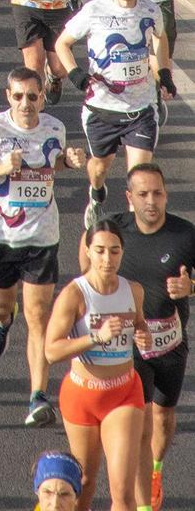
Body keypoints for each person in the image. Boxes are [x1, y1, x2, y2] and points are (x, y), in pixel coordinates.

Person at [0, 66, 88, 429]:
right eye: (18, 96)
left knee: (39, 317)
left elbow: (51, 165)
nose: (26, 104)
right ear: (8, 96)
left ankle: (38, 396)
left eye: (33, 96)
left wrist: (69, 161)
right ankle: (1, 321)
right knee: (4, 305)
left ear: (42, 97)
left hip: (42, 236)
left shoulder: (54, 128)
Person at [46, 222, 150, 511]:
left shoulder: (134, 291)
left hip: (124, 394)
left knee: (123, 492)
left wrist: (143, 333)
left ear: (122, 253)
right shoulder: (75, 295)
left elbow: (139, 323)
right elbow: (51, 350)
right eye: (100, 251)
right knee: (85, 483)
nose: (108, 259)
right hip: (83, 395)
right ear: (88, 252)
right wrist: (95, 337)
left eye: (114, 251)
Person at [57, 0, 162, 231]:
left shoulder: (152, 10)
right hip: (101, 108)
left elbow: (159, 40)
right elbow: (62, 44)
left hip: (141, 109)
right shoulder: (94, 10)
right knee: (99, 169)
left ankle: (133, 240)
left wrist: (162, 73)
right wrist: (75, 73)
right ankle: (96, 193)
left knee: (138, 178)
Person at [112, 163, 195, 511]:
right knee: (143, 422)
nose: (151, 201)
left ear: (166, 195)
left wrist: (192, 287)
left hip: (172, 345)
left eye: (157, 193)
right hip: (132, 346)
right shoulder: (115, 230)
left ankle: (156, 470)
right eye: (143, 194)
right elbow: (88, 261)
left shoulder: (186, 235)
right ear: (130, 198)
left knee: (163, 416)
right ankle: (142, 497)